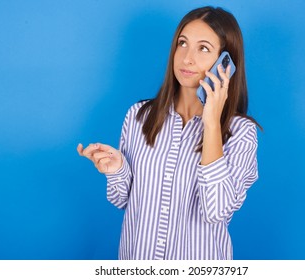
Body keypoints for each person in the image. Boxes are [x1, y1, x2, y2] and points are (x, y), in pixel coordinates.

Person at [77, 6, 259, 260]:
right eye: (182, 43)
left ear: (225, 64)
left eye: (203, 48)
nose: (187, 58)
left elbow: (216, 210)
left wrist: (212, 124)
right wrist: (117, 169)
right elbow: (122, 200)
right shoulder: (139, 116)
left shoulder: (241, 133)